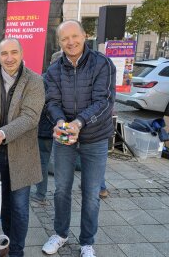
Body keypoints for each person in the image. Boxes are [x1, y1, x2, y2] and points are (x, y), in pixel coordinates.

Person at [42, 20, 116, 257]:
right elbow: (51, 102)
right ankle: (61, 234)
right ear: (60, 42)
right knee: (61, 188)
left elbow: (103, 102)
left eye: (74, 36)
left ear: (85, 35)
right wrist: (61, 122)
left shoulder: (102, 64)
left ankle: (87, 242)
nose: (70, 42)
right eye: (65, 39)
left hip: (94, 137)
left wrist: (79, 123)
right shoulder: (53, 70)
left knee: (91, 191)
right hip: (64, 138)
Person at [0, 38, 45, 257]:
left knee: (20, 207)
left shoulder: (34, 80)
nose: (9, 58)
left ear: (22, 53)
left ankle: (17, 252)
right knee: (2, 205)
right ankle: (6, 242)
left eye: (14, 52)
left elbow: (30, 117)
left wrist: (1, 134)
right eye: (4, 53)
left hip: (21, 155)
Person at [33, 51, 62, 205]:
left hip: (44, 128)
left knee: (42, 161)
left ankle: (40, 194)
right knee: (62, 161)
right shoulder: (67, 79)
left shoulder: (42, 79)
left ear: (51, 63)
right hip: (62, 127)